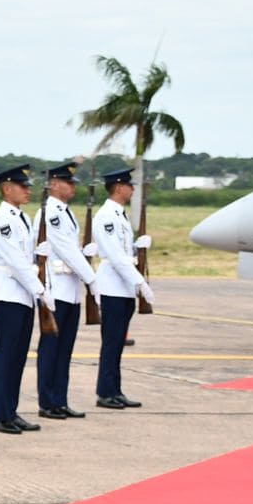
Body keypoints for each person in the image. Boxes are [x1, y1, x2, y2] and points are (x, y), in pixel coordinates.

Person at [34, 162, 100, 419]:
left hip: (70, 290)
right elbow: (65, 249)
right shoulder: (50, 212)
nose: (73, 186)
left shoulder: (65, 211)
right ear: (53, 184)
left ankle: (60, 400)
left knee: (65, 350)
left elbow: (72, 249)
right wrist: (91, 278)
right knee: (51, 348)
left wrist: (85, 254)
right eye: (68, 182)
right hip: (56, 289)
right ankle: (47, 402)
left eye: (73, 182)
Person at [0, 164, 47, 434]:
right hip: (8, 296)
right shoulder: (3, 220)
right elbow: (15, 262)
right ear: (7, 188)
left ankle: (11, 411)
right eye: (23, 186)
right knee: (6, 358)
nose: (27, 190)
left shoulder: (22, 218)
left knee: (18, 358)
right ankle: (2, 415)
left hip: (23, 297)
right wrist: (40, 290)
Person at [91, 168, 155, 409]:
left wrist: (138, 248)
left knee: (118, 342)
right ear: (118, 187)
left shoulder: (120, 214)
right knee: (111, 342)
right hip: (113, 287)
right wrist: (140, 282)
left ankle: (115, 390)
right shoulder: (106, 216)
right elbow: (116, 256)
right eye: (129, 185)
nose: (132, 189)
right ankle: (105, 393)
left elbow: (124, 252)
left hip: (123, 287)